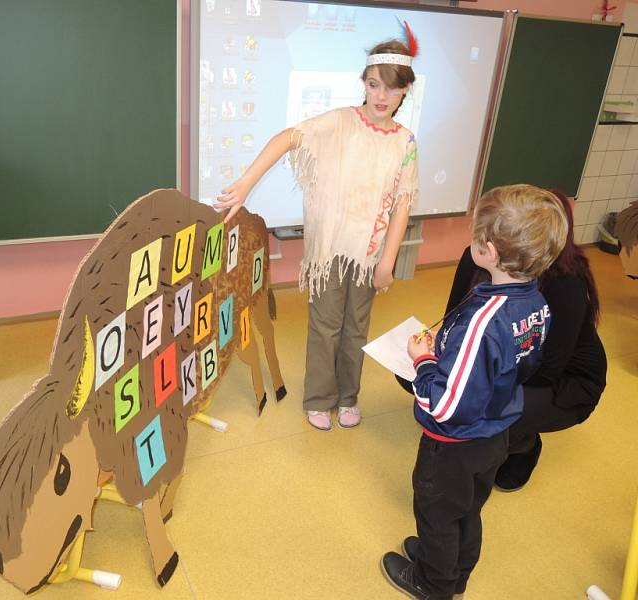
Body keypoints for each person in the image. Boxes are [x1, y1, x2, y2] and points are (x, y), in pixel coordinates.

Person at [215, 32, 419, 431]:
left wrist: (388, 262)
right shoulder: (341, 122)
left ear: (405, 91)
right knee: (326, 325)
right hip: (329, 254)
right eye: (374, 84)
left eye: (392, 88)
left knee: (356, 327)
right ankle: (320, 398)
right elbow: (287, 139)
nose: (381, 96)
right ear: (364, 83)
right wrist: (245, 183)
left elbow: (402, 204)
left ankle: (348, 397)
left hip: (369, 256)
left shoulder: (405, 143)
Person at [381, 184, 567, 600]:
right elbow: (525, 365)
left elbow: (445, 404)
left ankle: (434, 583)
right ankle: (450, 567)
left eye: (475, 236)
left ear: (490, 252)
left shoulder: (483, 322)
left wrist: (423, 361)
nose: (471, 241)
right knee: (467, 507)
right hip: (496, 430)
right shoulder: (535, 302)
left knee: (437, 511)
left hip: (454, 442)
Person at [442, 191, 607, 492]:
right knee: (418, 373)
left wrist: (481, 379)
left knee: (486, 402)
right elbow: (452, 319)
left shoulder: (565, 285)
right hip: (510, 363)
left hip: (561, 383)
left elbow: (546, 370)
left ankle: (523, 444)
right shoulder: (475, 257)